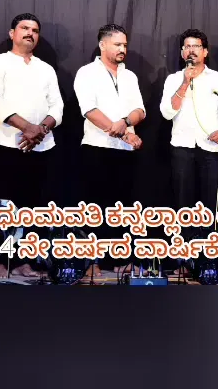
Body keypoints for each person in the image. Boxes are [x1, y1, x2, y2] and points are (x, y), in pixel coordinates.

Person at [0, 13, 64, 279]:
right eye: (24, 28)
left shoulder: (46, 68)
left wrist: (40, 130)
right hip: (6, 145)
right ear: (12, 34)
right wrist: (27, 128)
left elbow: (57, 106)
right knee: (3, 209)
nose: (30, 33)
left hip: (41, 147)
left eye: (35, 30)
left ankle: (24, 262)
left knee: (32, 209)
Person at [160, 29, 218, 274]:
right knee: (183, 205)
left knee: (210, 205)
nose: (191, 51)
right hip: (182, 147)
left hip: (212, 148)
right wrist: (185, 83)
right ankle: (184, 261)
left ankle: (208, 260)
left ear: (205, 51)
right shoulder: (173, 79)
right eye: (187, 47)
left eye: (196, 46)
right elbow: (167, 112)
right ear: (182, 52)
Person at [74, 24, 145, 277]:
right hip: (97, 148)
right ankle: (91, 263)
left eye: (124, 44)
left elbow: (140, 111)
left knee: (123, 208)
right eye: (117, 44)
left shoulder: (130, 76)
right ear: (102, 45)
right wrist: (125, 133)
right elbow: (89, 111)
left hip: (125, 152)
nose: (122, 49)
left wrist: (126, 122)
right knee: (94, 208)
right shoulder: (86, 73)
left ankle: (120, 260)